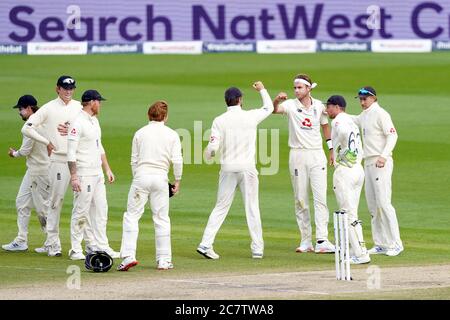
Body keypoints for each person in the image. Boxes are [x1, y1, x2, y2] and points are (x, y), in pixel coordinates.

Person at [197, 81, 273, 260]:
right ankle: (257, 248)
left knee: (221, 207)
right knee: (252, 207)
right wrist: (262, 89)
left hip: (228, 169)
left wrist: (208, 154)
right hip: (247, 168)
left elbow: (213, 146)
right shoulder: (250, 116)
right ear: (240, 100)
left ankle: (205, 244)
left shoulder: (219, 120)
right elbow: (269, 107)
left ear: (226, 101)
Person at [272, 74, 335, 254]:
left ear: (309, 89)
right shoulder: (291, 105)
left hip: (317, 155)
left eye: (300, 87)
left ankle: (322, 240)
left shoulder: (319, 106)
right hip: (297, 155)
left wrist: (331, 150)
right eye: (295, 88)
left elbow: (325, 126)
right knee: (301, 199)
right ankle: (306, 240)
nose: (297, 90)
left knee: (320, 198)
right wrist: (276, 100)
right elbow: (273, 110)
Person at [118, 100, 183, 271]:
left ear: (149, 115)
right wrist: (177, 181)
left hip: (141, 177)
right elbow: (177, 160)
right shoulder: (172, 135)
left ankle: (128, 256)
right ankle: (163, 260)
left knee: (132, 216)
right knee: (161, 218)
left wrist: (138, 178)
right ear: (165, 117)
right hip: (161, 179)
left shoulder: (140, 133)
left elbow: (134, 160)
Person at [22, 75, 82, 257]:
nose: (68, 91)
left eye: (71, 88)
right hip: (57, 160)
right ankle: (53, 244)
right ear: (58, 89)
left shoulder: (79, 107)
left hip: (79, 159)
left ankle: (87, 245)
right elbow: (26, 128)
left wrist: (72, 126)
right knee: (55, 202)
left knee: (84, 203)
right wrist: (47, 141)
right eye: (65, 88)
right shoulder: (48, 108)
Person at [67, 90, 119, 260]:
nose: (100, 105)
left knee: (101, 210)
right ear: (92, 102)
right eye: (99, 102)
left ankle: (100, 246)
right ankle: (75, 249)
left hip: (97, 173)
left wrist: (107, 168)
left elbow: (99, 146)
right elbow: (71, 153)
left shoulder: (94, 121)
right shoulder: (77, 123)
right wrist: (74, 176)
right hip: (84, 173)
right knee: (81, 210)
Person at [352, 86, 403, 257]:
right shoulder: (364, 114)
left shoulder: (381, 113)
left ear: (373, 98)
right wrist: (334, 112)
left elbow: (393, 135)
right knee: (373, 205)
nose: (362, 102)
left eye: (364, 98)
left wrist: (384, 155)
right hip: (368, 162)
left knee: (384, 203)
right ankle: (381, 243)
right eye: (360, 99)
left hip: (381, 161)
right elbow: (353, 120)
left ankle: (396, 243)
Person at [325, 95, 370, 264]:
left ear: (337, 107)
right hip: (358, 169)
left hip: (345, 172)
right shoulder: (351, 120)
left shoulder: (337, 121)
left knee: (346, 214)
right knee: (353, 214)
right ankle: (357, 249)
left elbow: (342, 132)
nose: (327, 109)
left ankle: (361, 254)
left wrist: (340, 152)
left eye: (329, 106)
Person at [2, 95, 49, 252]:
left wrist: (14, 154)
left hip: (41, 172)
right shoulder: (44, 119)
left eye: (21, 109)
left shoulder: (32, 125)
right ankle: (21, 240)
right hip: (33, 170)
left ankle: (51, 242)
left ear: (29, 108)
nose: (19, 112)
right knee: (21, 202)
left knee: (43, 209)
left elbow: (26, 149)